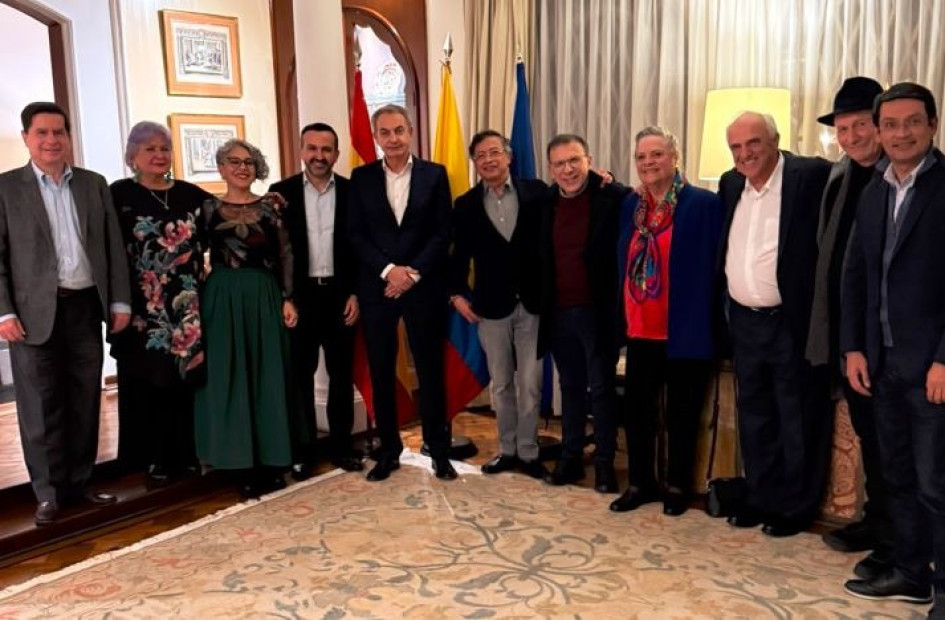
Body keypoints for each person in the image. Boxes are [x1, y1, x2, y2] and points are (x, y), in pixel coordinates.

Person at [0, 101, 131, 525]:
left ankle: (79, 483)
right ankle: (47, 494)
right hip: (32, 313)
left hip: (84, 308)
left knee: (83, 399)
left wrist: (119, 302)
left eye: (59, 132)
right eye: (42, 133)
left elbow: (112, 248)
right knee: (40, 406)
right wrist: (3, 313)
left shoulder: (93, 185)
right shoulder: (6, 189)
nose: (52, 140)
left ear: (69, 137)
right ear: (27, 138)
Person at [841, 82, 945, 617]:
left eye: (912, 122)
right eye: (891, 124)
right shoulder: (875, 189)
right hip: (880, 363)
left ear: (932, 124)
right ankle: (910, 573)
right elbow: (857, 275)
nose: (900, 133)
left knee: (936, 485)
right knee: (898, 475)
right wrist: (854, 347)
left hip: (932, 366)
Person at [719, 112, 831, 537]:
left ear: (775, 140)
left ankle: (795, 508)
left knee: (796, 415)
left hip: (790, 322)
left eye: (753, 143)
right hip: (745, 322)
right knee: (756, 415)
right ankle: (761, 497)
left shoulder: (811, 175)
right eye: (736, 147)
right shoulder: (732, 184)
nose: (744, 154)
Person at [609, 127, 722, 516]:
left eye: (656, 154)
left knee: (682, 413)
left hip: (684, 328)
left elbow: (716, 268)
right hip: (640, 328)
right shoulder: (632, 207)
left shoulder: (702, 204)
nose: (648, 163)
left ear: (674, 157)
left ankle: (677, 486)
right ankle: (641, 482)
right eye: (641, 157)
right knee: (637, 411)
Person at [807, 78, 894, 577]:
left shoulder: (902, 176)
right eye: (844, 127)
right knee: (869, 433)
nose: (853, 135)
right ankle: (876, 521)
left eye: (862, 124)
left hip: (888, 338)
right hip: (847, 335)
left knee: (892, 444)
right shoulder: (840, 176)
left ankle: (896, 538)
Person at [347, 104, 457, 482]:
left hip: (422, 286)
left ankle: (439, 452)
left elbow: (443, 233)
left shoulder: (435, 175)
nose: (393, 139)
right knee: (381, 370)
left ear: (410, 132)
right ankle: (389, 450)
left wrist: (412, 273)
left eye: (399, 131)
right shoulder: (359, 178)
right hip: (378, 288)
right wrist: (388, 271)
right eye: (385, 132)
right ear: (376, 137)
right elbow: (355, 234)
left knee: (430, 370)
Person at [193, 139, 300, 498]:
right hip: (221, 298)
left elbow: (286, 253)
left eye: (249, 162)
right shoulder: (207, 209)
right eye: (234, 162)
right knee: (231, 375)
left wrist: (289, 299)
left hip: (265, 295)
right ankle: (238, 462)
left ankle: (272, 460)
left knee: (267, 374)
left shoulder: (272, 207)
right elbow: (193, 259)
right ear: (221, 168)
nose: (242, 168)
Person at [109, 121, 213, 486]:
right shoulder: (118, 194)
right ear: (132, 155)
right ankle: (154, 458)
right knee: (150, 381)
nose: (158, 155)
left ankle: (187, 455)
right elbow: (104, 249)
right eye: (150, 148)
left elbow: (228, 222)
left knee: (186, 380)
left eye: (164, 148)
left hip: (187, 303)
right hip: (142, 305)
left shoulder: (190, 194)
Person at [449, 129, 548, 480]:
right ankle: (506, 450)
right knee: (502, 384)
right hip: (489, 309)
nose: (488, 160)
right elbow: (457, 257)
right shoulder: (465, 205)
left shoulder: (538, 192)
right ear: (475, 163)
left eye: (494, 152)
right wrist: (457, 294)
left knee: (531, 383)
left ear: (508, 156)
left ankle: (529, 451)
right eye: (481, 155)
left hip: (534, 305)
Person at [269, 122, 362, 479]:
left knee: (341, 377)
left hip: (341, 296)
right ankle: (303, 451)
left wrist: (356, 293)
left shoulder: (354, 193)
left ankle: (341, 448)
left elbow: (360, 247)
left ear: (336, 154)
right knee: (300, 377)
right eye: (312, 148)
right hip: (301, 298)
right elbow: (275, 253)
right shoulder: (280, 194)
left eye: (326, 150)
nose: (319, 156)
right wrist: (284, 298)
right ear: (301, 150)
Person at [539, 134, 628, 493]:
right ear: (551, 169)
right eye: (559, 163)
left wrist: (614, 180)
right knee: (570, 388)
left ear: (589, 160)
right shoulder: (543, 203)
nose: (568, 169)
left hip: (598, 312)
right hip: (558, 312)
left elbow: (640, 199)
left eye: (574, 160)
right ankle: (571, 457)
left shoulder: (612, 196)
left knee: (602, 389)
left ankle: (605, 462)